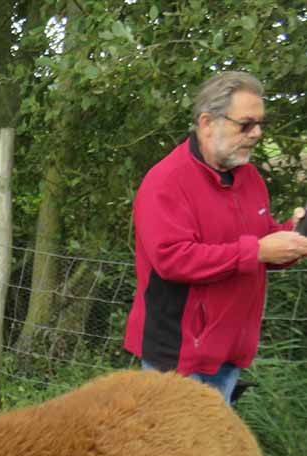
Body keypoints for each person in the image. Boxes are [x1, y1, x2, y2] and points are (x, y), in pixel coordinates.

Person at [125, 70, 307, 402]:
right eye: (246, 124)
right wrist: (258, 252)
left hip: (230, 351)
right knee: (176, 454)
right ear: (208, 122)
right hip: (179, 357)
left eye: (261, 124)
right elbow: (172, 259)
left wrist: (290, 238)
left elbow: (260, 240)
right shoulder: (166, 181)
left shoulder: (249, 177)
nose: (257, 133)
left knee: (212, 453)